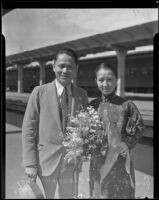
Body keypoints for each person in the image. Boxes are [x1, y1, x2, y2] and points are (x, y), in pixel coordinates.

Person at [22, 48, 88, 199]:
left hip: (71, 163)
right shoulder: (39, 92)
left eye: (70, 66)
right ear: (53, 66)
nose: (65, 70)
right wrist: (30, 163)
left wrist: (80, 154)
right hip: (45, 162)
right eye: (61, 66)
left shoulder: (82, 95)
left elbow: (85, 129)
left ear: (76, 69)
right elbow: (28, 129)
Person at [89, 62, 145, 199]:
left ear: (116, 81)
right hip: (98, 162)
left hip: (120, 162)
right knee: (98, 193)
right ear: (96, 81)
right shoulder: (92, 105)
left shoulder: (127, 106)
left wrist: (126, 143)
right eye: (101, 80)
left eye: (109, 79)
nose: (105, 84)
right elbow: (85, 130)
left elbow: (138, 127)